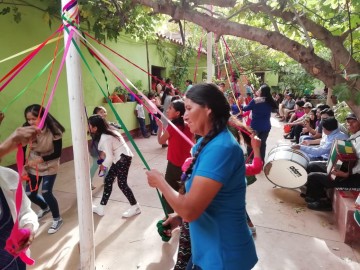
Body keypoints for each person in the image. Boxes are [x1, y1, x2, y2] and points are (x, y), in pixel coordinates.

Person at [146, 83, 258, 270]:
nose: (185, 115)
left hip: (224, 256)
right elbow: (204, 202)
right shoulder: (205, 144)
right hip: (207, 252)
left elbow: (190, 210)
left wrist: (160, 182)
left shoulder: (222, 148)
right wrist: (178, 218)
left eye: (189, 108)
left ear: (208, 109)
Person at [0, 113, 39, 270]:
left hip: (16, 263)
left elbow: (25, 211)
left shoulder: (8, 176)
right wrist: (7, 146)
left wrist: (29, 226)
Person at [303, 113, 360, 211]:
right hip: (342, 168)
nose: (349, 124)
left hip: (352, 177)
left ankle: (323, 201)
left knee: (314, 176)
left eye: (353, 122)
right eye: (348, 122)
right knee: (312, 165)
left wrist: (347, 173)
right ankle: (313, 195)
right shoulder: (353, 136)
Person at [23, 104, 65, 234]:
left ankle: (57, 219)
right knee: (30, 193)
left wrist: (39, 160)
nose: (30, 122)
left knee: (46, 192)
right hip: (33, 163)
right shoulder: (26, 129)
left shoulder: (54, 129)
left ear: (43, 117)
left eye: (33, 119)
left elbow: (57, 153)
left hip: (50, 163)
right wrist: (23, 166)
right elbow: (22, 149)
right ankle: (45, 207)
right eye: (28, 119)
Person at [88, 115, 140, 217]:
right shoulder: (108, 131)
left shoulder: (105, 137)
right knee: (108, 180)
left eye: (89, 125)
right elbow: (109, 151)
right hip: (121, 158)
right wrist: (103, 157)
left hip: (122, 159)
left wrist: (103, 166)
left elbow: (109, 158)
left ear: (95, 127)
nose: (88, 127)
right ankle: (101, 207)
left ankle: (135, 206)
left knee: (122, 184)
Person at [155, 99, 193, 214]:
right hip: (187, 166)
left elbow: (161, 141)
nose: (167, 110)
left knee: (168, 193)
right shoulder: (189, 126)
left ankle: (170, 217)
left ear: (177, 113)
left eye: (170, 108)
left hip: (173, 166)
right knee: (183, 192)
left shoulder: (172, 127)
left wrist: (160, 127)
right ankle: (182, 217)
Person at [241, 84, 278, 162]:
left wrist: (241, 104)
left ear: (262, 91)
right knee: (262, 144)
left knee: (251, 143)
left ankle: (251, 160)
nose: (258, 90)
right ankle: (261, 161)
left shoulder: (255, 100)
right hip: (266, 127)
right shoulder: (270, 100)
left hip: (255, 127)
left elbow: (245, 109)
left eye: (259, 89)